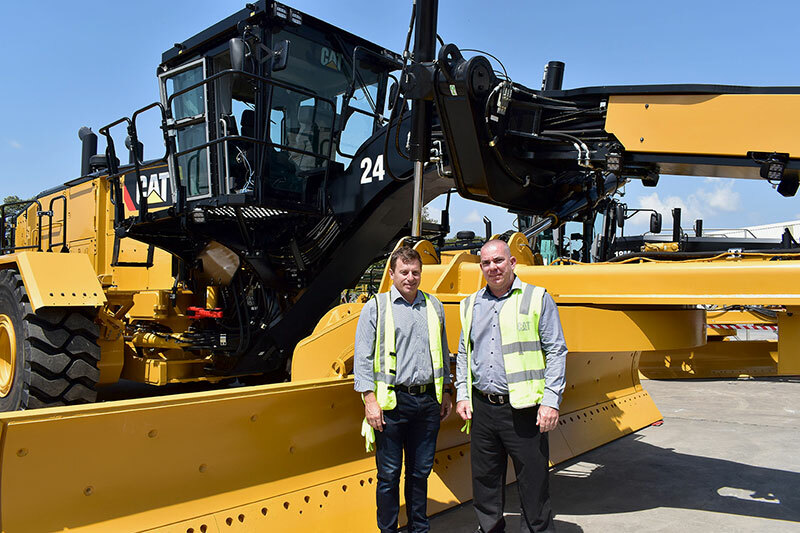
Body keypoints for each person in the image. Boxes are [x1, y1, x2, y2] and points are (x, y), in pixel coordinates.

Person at [455, 239, 567, 533]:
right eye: (486, 263)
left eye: (499, 261)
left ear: (513, 263)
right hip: (482, 409)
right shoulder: (469, 305)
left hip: (525, 409)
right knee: (485, 482)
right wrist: (463, 394)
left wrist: (551, 401)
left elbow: (556, 351)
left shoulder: (537, 298)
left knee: (533, 483)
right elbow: (465, 353)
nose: (493, 268)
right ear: (481, 267)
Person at [354, 245, 453, 533]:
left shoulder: (433, 306)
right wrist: (369, 401)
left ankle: (418, 528)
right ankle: (388, 529)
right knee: (388, 475)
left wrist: (446, 390)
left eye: (415, 272)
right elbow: (363, 358)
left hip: (428, 403)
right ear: (393, 273)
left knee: (420, 473)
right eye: (404, 272)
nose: (410, 277)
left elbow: (443, 352)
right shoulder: (376, 307)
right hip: (391, 404)